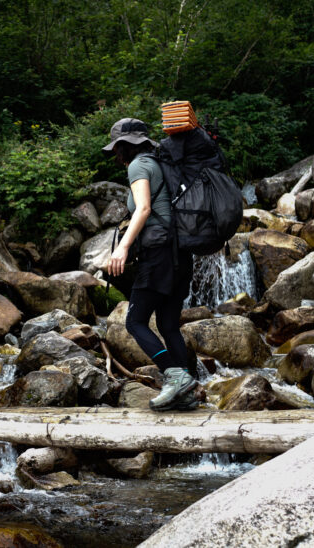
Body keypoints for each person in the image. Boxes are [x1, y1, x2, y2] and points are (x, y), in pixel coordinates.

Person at [102, 118, 198, 411]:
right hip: (180, 253)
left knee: (135, 321)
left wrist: (123, 247)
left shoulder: (139, 165)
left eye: (117, 147)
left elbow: (143, 208)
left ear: (124, 146)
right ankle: (188, 395)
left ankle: (176, 378)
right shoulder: (162, 164)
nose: (116, 154)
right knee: (168, 325)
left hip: (157, 254)